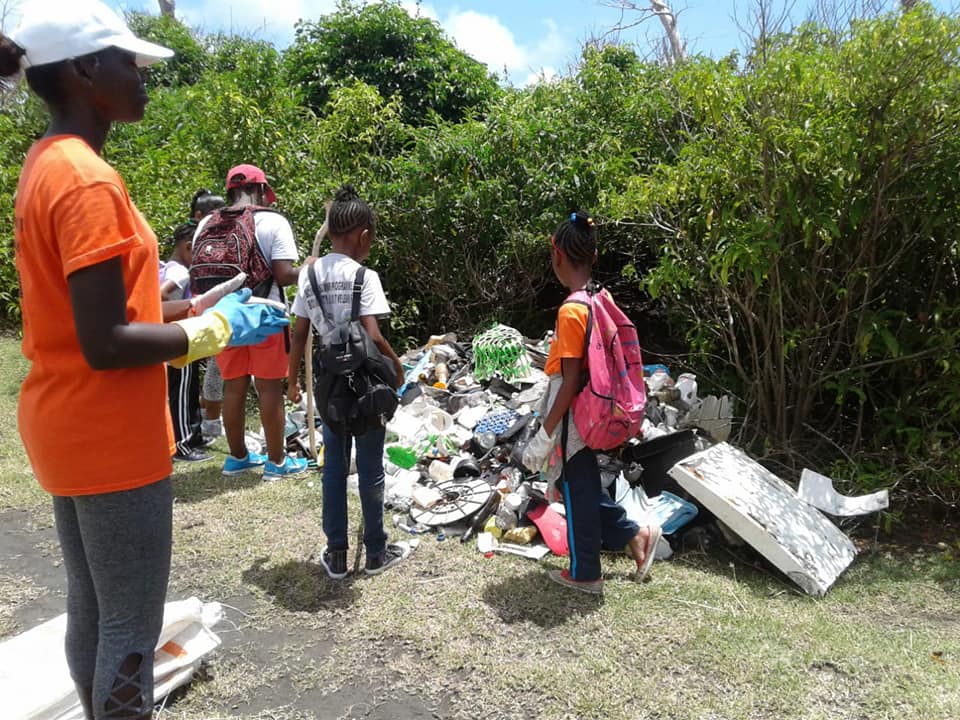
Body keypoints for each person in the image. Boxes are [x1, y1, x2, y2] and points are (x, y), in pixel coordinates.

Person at [0, 3, 287, 719]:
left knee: (94, 609)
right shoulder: (88, 179)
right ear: (85, 69)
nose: (142, 77)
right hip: (111, 434)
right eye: (129, 62)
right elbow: (106, 343)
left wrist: (191, 309)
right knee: (130, 624)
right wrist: (214, 332)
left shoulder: (47, 163)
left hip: (65, 422)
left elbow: (99, 312)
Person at [523, 212, 661, 595]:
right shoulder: (600, 297)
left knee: (576, 486)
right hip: (597, 404)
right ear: (594, 256)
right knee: (577, 481)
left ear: (557, 256)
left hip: (575, 410)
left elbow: (568, 381)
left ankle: (585, 573)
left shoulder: (571, 309)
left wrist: (546, 432)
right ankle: (635, 535)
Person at [286, 186, 408, 578]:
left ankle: (337, 554)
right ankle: (376, 552)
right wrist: (396, 366)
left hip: (330, 385)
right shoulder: (364, 276)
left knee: (335, 468)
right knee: (370, 468)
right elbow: (372, 335)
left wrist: (292, 380)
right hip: (367, 385)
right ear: (363, 235)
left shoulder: (309, 275)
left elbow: (299, 334)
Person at [195, 164, 308, 479]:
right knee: (269, 388)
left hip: (224, 315)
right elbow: (283, 275)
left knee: (234, 385)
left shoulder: (206, 222)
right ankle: (277, 463)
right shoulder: (273, 221)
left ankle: (238, 458)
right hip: (264, 314)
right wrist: (309, 266)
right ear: (260, 190)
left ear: (230, 191)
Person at [160, 222, 209, 461]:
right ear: (188, 247)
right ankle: (182, 445)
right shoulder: (180, 272)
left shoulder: (165, 267)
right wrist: (177, 313)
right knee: (180, 391)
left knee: (183, 388)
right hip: (178, 338)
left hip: (170, 338)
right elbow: (161, 294)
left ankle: (191, 436)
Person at [187, 189, 228, 442]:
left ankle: (202, 416)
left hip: (207, 305)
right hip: (196, 308)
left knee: (214, 364)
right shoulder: (194, 237)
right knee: (215, 364)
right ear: (200, 215)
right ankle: (209, 421)